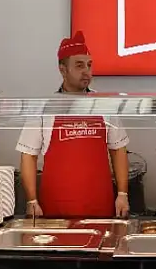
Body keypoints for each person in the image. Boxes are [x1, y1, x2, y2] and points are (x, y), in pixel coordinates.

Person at [16, 31, 130, 218]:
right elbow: (28, 155)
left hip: (100, 206)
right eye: (79, 65)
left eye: (89, 65)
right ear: (62, 70)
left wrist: (123, 194)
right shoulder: (45, 107)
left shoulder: (104, 104)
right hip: (56, 210)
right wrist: (31, 201)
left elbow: (118, 150)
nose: (87, 72)